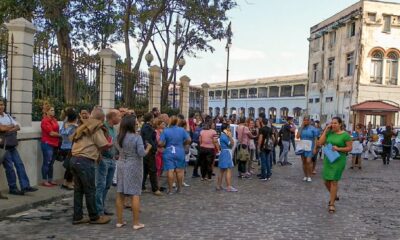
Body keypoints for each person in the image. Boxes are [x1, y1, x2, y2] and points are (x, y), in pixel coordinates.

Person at [70, 106, 112, 225]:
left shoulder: (83, 125)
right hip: (85, 161)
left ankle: (77, 217)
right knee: (90, 190)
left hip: (74, 159)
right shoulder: (96, 128)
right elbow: (103, 145)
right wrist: (111, 144)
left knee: (78, 190)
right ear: (102, 118)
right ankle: (95, 217)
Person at [115, 114, 152, 230]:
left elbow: (117, 149)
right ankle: (136, 223)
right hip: (134, 165)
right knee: (135, 193)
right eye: (135, 123)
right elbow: (141, 153)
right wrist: (148, 148)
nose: (137, 124)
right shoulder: (137, 137)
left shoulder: (118, 137)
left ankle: (119, 221)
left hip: (121, 164)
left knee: (120, 192)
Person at [0, 98, 38, 195]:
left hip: (12, 144)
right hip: (3, 146)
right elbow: (2, 128)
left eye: (2, 104)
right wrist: (10, 126)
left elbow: (18, 126)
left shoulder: (7, 116)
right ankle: (13, 188)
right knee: (9, 167)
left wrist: (8, 129)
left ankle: (25, 186)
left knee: (19, 164)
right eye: (0, 105)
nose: (2, 106)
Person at [318, 117, 352, 213]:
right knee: (326, 181)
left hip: (339, 159)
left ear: (340, 124)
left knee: (334, 181)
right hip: (328, 159)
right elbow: (320, 142)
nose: (333, 125)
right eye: (332, 123)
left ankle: (332, 204)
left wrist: (338, 149)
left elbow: (349, 148)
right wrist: (325, 130)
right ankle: (334, 194)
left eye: (335, 123)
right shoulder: (329, 133)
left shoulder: (345, 135)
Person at [95, 109, 121, 216]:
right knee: (101, 185)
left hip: (112, 159)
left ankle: (102, 206)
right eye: (118, 116)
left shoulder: (113, 129)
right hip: (103, 159)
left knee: (107, 185)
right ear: (112, 117)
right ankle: (98, 209)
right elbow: (102, 144)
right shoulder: (103, 128)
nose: (120, 118)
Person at [159, 116, 191, 194]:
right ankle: (179, 189)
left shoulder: (165, 131)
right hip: (180, 151)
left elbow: (160, 143)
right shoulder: (182, 130)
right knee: (179, 171)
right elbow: (189, 140)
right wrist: (183, 143)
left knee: (170, 170)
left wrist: (164, 145)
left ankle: (170, 190)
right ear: (177, 122)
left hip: (169, 151)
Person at [140, 112, 162, 196]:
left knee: (145, 169)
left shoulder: (146, 126)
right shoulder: (147, 127)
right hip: (149, 150)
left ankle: (142, 186)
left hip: (147, 150)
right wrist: (154, 147)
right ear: (151, 118)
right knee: (152, 169)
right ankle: (155, 189)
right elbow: (149, 139)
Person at [40, 103, 60, 187]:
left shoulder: (54, 120)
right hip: (47, 143)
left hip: (55, 143)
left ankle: (50, 179)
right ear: (47, 112)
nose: (53, 111)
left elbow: (57, 130)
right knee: (47, 162)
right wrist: (62, 135)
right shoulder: (45, 121)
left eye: (53, 110)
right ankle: (44, 180)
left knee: (51, 163)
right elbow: (51, 133)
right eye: (51, 110)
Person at [59, 107, 78, 190]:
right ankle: (68, 183)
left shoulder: (63, 123)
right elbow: (69, 134)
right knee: (71, 168)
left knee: (69, 167)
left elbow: (61, 132)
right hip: (71, 148)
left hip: (63, 146)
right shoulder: (73, 127)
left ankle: (66, 182)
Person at [216, 123, 237, 192]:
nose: (229, 129)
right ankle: (229, 186)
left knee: (221, 170)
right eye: (228, 128)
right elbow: (231, 144)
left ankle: (218, 185)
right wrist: (230, 137)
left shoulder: (222, 136)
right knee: (228, 170)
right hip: (227, 153)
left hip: (224, 153)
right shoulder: (224, 136)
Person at [296, 116, 318, 182]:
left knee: (308, 161)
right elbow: (297, 136)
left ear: (309, 121)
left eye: (307, 120)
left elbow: (316, 139)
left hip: (310, 146)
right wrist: (301, 127)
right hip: (302, 146)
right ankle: (305, 175)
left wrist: (315, 148)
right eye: (304, 120)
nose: (306, 121)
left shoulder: (313, 128)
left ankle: (309, 176)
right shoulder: (301, 128)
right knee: (304, 162)